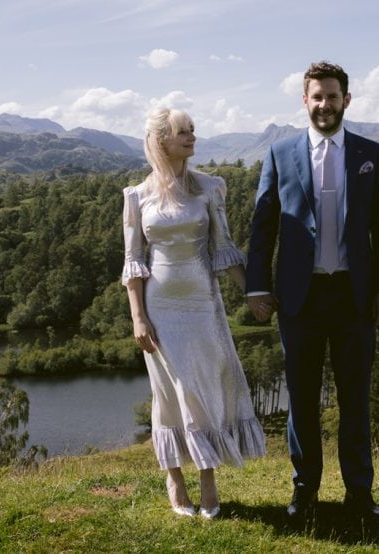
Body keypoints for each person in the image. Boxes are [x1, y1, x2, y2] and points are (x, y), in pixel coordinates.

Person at [246, 61, 379, 521]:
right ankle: (304, 492)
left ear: (346, 100)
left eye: (333, 97)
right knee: (302, 402)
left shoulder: (370, 153)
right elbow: (262, 227)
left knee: (356, 401)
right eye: (317, 97)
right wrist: (256, 288)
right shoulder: (280, 153)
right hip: (300, 299)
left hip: (354, 298)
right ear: (304, 100)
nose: (325, 105)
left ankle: (360, 495)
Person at [122, 107, 266, 519]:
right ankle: (175, 477)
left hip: (203, 302)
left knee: (202, 389)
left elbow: (225, 249)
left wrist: (253, 295)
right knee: (170, 392)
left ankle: (207, 478)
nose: (192, 137)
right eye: (183, 132)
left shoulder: (209, 187)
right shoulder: (136, 196)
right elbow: (133, 263)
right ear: (160, 140)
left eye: (192, 131)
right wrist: (138, 317)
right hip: (160, 306)